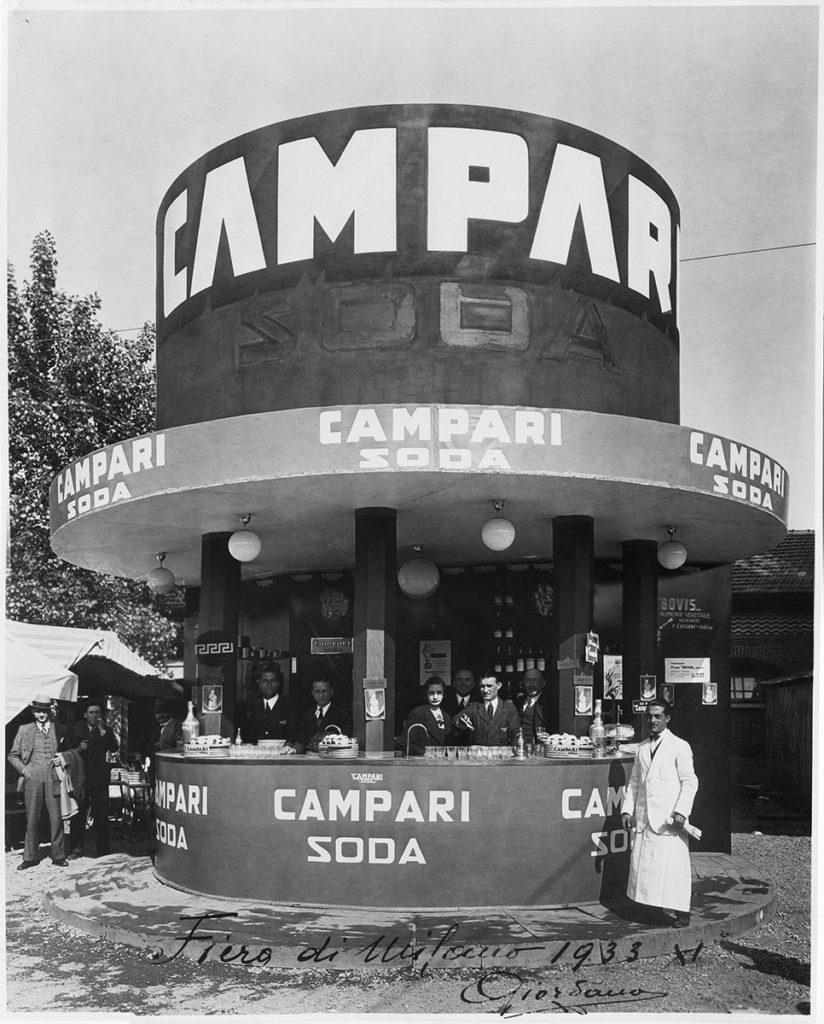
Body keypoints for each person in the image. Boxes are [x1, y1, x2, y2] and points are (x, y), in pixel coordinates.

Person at [621, 700, 699, 928]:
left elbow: (690, 782)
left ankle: (682, 913)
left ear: (667, 719)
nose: (652, 721)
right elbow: (634, 782)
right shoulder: (642, 748)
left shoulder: (680, 746)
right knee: (648, 867)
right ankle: (652, 911)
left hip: (670, 819)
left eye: (657, 716)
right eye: (649, 716)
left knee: (673, 867)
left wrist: (681, 812)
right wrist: (627, 810)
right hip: (646, 817)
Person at [8, 695, 71, 869]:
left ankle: (58, 855)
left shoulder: (60, 729)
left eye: (44, 710)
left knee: (56, 817)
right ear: (32, 711)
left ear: (50, 711)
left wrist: (63, 758)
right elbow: (12, 755)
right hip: (32, 777)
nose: (41, 714)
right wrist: (25, 770)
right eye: (37, 710)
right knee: (32, 817)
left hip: (53, 776)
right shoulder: (24, 729)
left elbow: (71, 751)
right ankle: (29, 857)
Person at [68, 700, 118, 858]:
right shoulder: (75, 729)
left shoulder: (105, 730)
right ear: (85, 715)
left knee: (101, 815)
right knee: (79, 815)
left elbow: (114, 748)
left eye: (97, 713)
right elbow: (66, 751)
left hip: (100, 779)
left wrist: (105, 732)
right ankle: (76, 850)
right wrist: (78, 748)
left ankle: (103, 850)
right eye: (91, 712)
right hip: (81, 778)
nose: (95, 715)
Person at [453, 672, 521, 746]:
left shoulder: (509, 708)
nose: (485, 690)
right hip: (479, 755)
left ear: (499, 685)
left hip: (501, 756)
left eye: (489, 686)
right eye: (482, 686)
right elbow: (456, 718)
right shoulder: (474, 706)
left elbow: (516, 735)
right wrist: (460, 722)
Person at [243, 662, 294, 744]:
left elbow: (293, 734)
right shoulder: (251, 706)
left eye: (272, 681)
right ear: (259, 683)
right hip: (257, 752)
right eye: (265, 681)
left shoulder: (289, 706)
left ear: (278, 684)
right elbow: (247, 735)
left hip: (283, 751)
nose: (269, 684)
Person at [295, 679, 351, 753]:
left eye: (324, 691)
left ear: (331, 692)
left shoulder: (342, 713)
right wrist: (294, 750)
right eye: (317, 691)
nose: (321, 695)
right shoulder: (308, 714)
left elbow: (345, 738)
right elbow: (302, 739)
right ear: (312, 693)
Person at [405, 678, 453, 754]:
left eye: (439, 693)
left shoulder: (447, 715)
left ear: (444, 694)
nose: (435, 697)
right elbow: (405, 743)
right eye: (431, 693)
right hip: (425, 762)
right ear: (426, 693)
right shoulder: (418, 713)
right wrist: (424, 753)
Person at [517, 668, 546, 743]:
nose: (531, 684)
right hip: (519, 748)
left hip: (538, 749)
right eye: (528, 680)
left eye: (534, 680)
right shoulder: (518, 701)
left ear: (543, 683)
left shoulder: (547, 704)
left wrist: (550, 737)